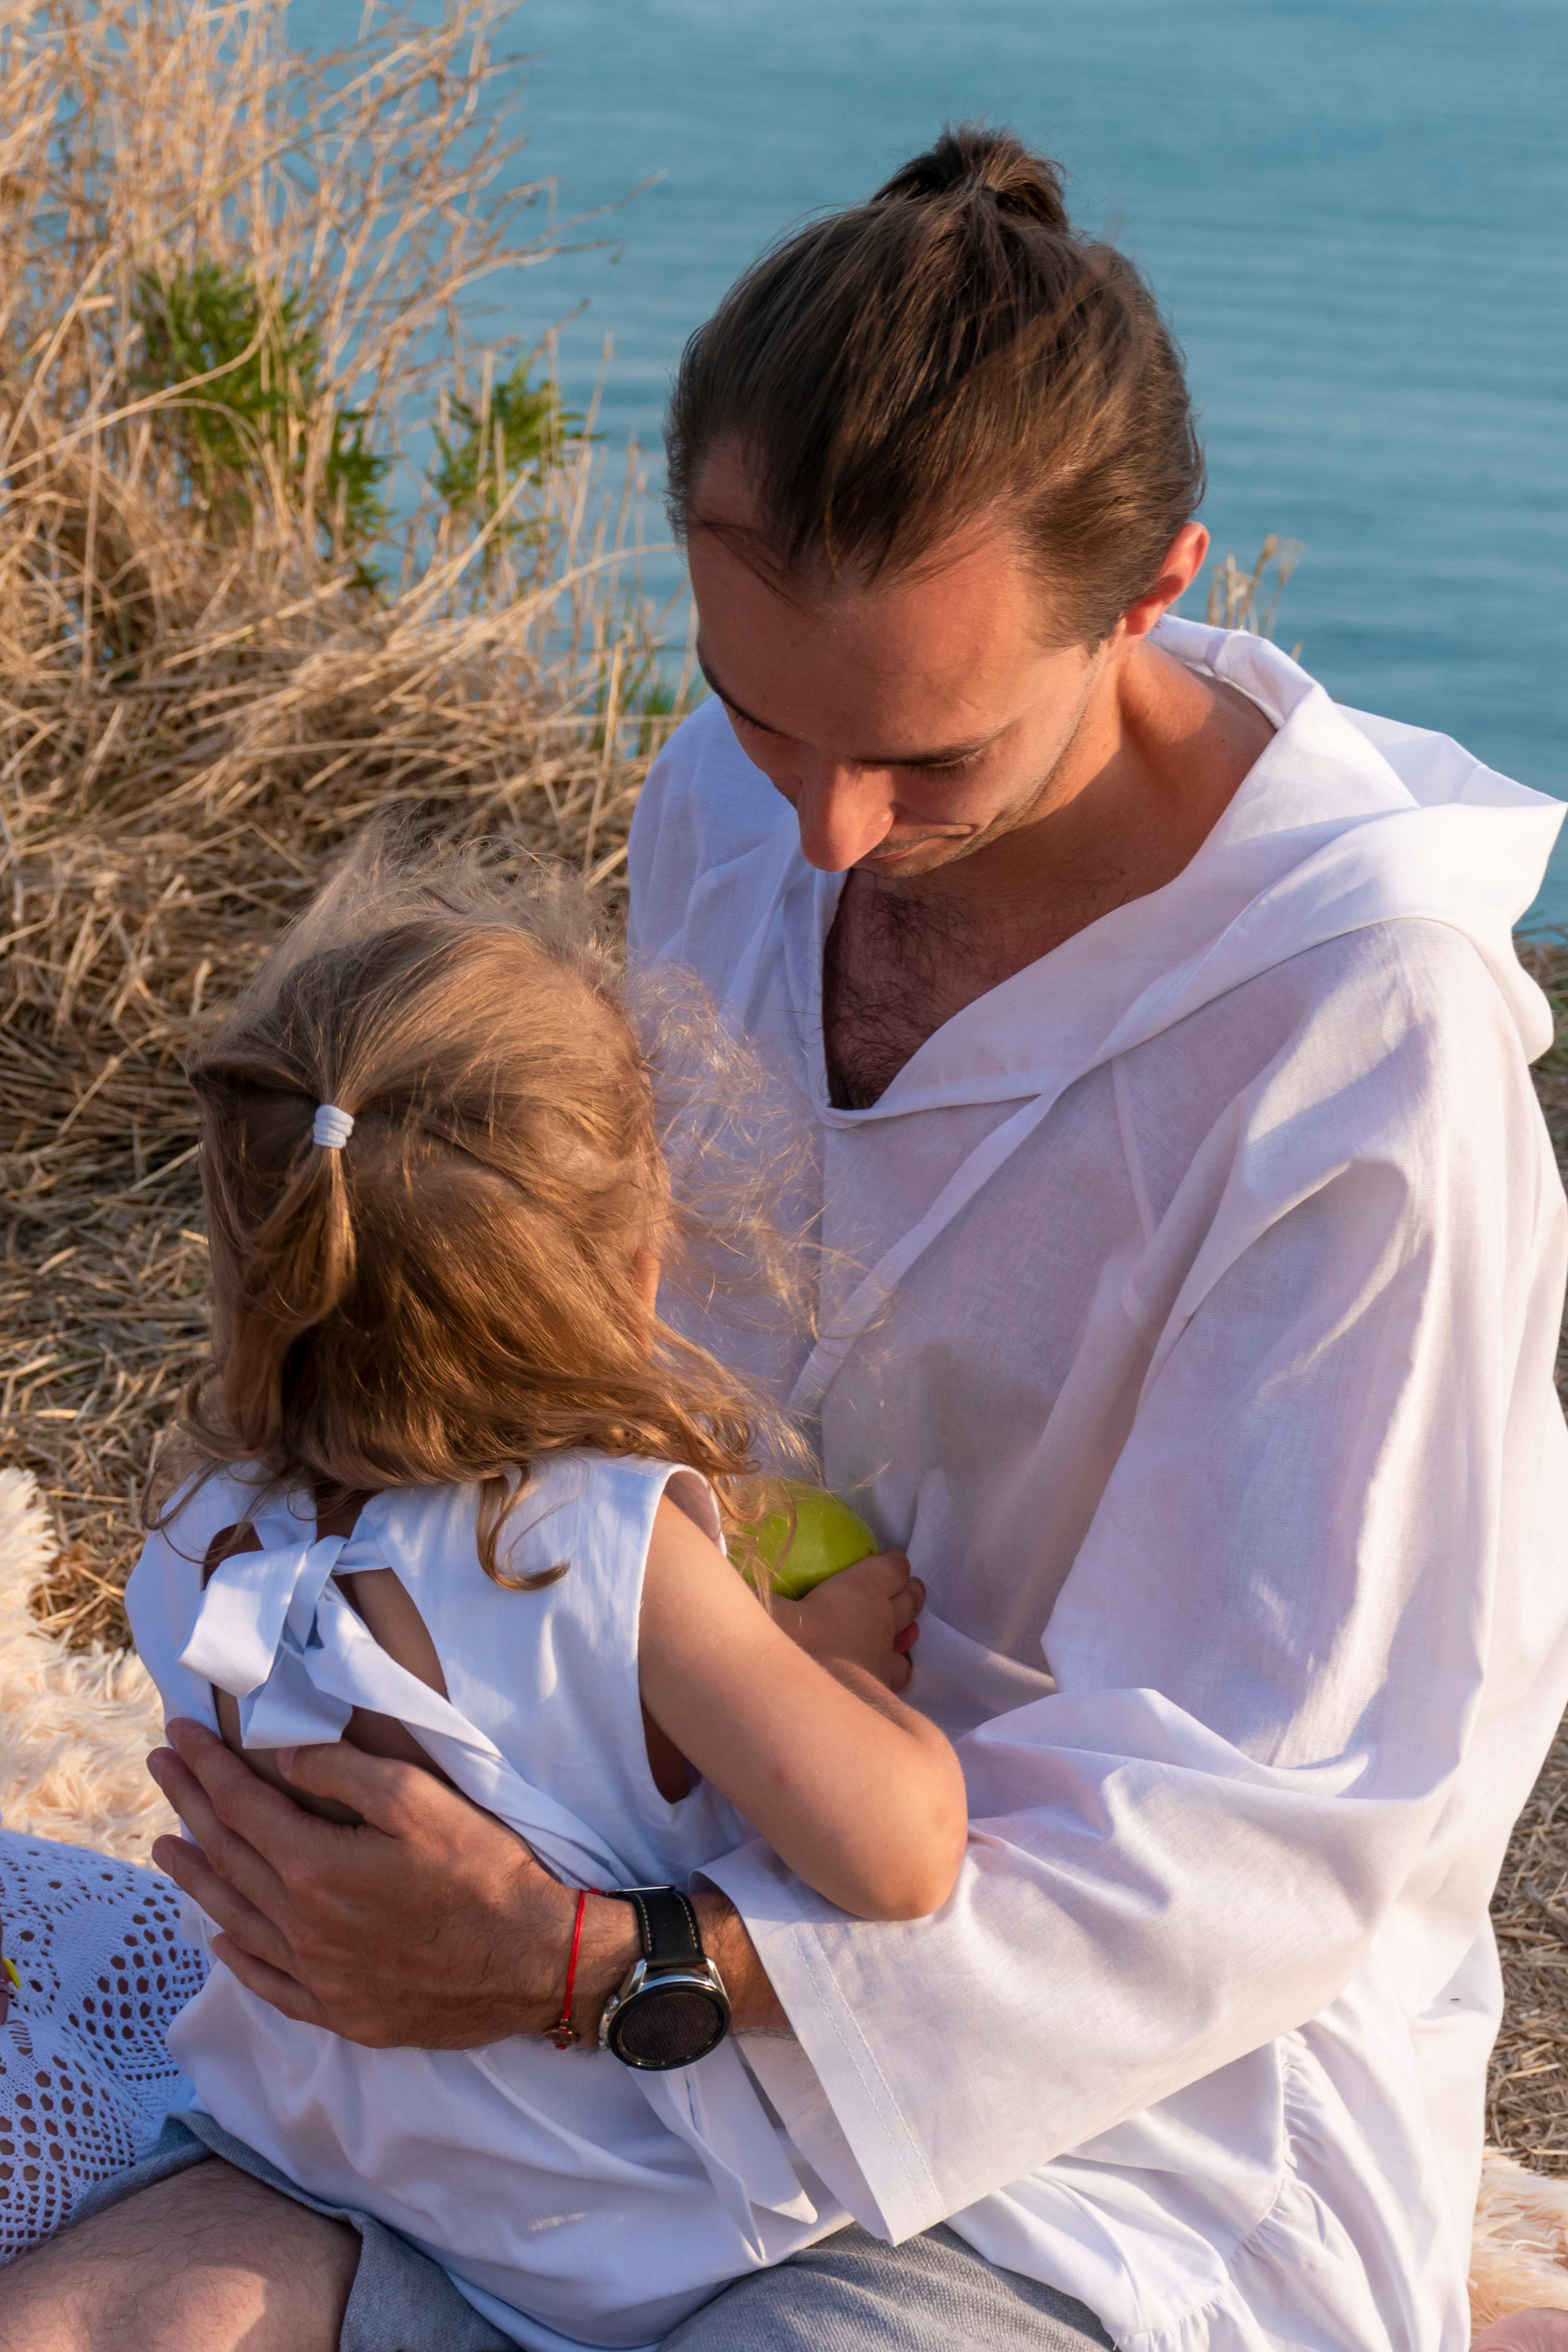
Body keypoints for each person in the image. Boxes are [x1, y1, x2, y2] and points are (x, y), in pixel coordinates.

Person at [4, 122, 1567, 2352]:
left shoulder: (1362, 1044)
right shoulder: (731, 810)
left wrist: (581, 1968)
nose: (825, 832)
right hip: (592, 1919)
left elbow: (1266, 1843)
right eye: (761, 717)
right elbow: (623, 1380)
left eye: (929, 761)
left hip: (1073, 2120)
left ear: (1153, 593)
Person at [91, 845, 964, 2345]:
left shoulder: (202, 1538)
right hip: (612, 2239)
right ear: (635, 1276)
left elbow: (507, 1743)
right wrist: (826, 1668)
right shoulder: (608, 1549)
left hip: (327, 2156)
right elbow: (903, 1854)